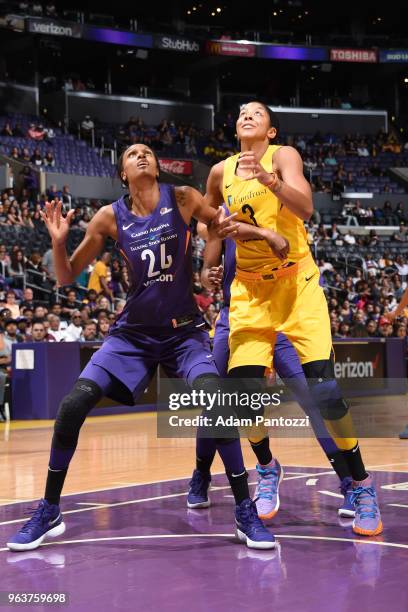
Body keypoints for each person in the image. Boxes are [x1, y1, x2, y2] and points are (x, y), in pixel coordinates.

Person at [7, 143, 274, 552]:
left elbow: (218, 225)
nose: (142, 155)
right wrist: (59, 242)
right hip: (131, 336)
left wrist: (251, 237)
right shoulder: (109, 217)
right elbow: (66, 275)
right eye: (132, 154)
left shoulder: (183, 197)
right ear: (123, 174)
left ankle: (244, 510)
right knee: (72, 405)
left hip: (184, 333)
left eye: (147, 151)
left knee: (218, 403)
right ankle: (49, 510)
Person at [204, 101, 382, 536]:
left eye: (256, 113)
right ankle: (267, 468)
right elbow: (212, 220)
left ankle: (361, 483)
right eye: (241, 110)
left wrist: (271, 181)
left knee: (325, 391)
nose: (246, 114)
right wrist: (207, 265)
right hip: (248, 289)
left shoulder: (282, 156)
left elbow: (304, 209)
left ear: (270, 130)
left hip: (296, 284)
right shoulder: (219, 172)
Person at [187, 222, 354, 519]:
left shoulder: (280, 211)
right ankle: (205, 473)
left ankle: (349, 482)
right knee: (218, 401)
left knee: (313, 400)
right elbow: (206, 242)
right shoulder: (224, 213)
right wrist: (208, 274)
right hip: (238, 316)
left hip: (285, 314)